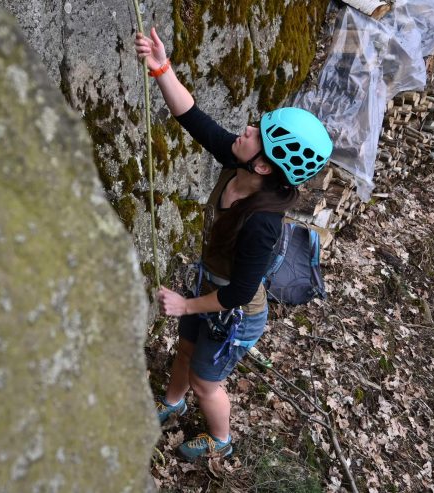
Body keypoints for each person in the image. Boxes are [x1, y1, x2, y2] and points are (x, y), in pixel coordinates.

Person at [134, 27, 334, 460]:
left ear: (264, 165)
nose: (245, 128)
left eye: (257, 132)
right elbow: (193, 118)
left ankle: (221, 440)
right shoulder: (238, 162)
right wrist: (161, 67)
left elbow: (241, 292)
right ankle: (172, 402)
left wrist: (187, 305)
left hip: (236, 313)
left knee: (208, 380)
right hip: (210, 288)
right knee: (185, 347)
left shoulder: (263, 223)